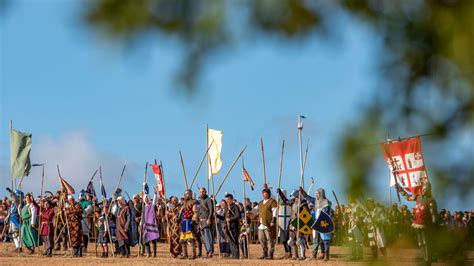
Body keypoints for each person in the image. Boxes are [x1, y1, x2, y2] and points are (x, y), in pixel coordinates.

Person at [397, 180, 438, 264]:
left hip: (425, 224)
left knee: (426, 242)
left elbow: (433, 214)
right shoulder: (418, 197)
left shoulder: (431, 201)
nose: (423, 190)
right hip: (416, 223)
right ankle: (425, 258)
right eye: (423, 189)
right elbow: (408, 197)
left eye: (425, 189)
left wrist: (433, 224)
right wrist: (400, 190)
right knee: (420, 243)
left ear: (429, 190)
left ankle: (428, 259)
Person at [256, 187, 277, 259]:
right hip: (261, 224)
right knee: (261, 239)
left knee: (270, 240)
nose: (264, 195)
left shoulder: (272, 201)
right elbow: (256, 210)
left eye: (265, 194)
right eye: (263, 194)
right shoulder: (260, 203)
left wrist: (273, 221)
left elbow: (274, 212)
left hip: (268, 223)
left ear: (268, 194)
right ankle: (264, 253)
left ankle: (270, 254)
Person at [179, 189, 198, 260]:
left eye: (187, 194)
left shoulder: (193, 202)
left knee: (190, 239)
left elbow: (195, 212)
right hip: (184, 222)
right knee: (182, 240)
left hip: (189, 221)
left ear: (190, 195)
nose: (186, 196)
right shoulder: (184, 203)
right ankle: (184, 254)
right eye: (185, 194)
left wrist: (193, 220)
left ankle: (193, 255)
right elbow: (182, 212)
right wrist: (179, 218)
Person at [142, 188, 160, 257]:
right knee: (145, 240)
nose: (146, 199)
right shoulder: (143, 207)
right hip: (145, 224)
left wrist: (155, 194)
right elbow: (142, 216)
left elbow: (154, 201)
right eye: (145, 198)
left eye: (147, 198)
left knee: (153, 239)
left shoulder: (151, 205)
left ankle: (154, 254)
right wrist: (141, 223)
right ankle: (148, 253)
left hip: (151, 223)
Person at [198, 188, 214, 258]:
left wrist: (209, 219)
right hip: (201, 221)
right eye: (200, 192)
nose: (201, 193)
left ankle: (210, 251)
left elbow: (211, 210)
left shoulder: (208, 199)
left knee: (208, 237)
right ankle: (207, 251)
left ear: (205, 192)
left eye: (202, 192)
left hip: (206, 220)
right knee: (204, 238)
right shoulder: (200, 200)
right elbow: (199, 211)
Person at [277, 190, 292, 259]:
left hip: (288, 223)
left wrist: (280, 193)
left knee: (287, 239)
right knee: (283, 239)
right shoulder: (278, 202)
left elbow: (285, 200)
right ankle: (286, 252)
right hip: (281, 222)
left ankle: (289, 252)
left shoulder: (290, 202)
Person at [225, 193, 241, 259]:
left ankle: (236, 255)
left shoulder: (235, 207)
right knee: (231, 242)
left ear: (231, 199)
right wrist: (217, 215)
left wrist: (230, 219)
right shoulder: (226, 208)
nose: (227, 201)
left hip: (234, 226)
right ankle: (233, 254)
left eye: (228, 199)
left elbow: (237, 216)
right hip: (228, 226)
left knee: (235, 241)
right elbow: (224, 217)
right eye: (226, 200)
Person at [6, 188, 22, 253]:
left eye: (12, 195)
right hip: (12, 219)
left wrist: (10, 191)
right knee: (13, 234)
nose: (11, 196)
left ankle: (20, 247)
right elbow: (10, 212)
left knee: (17, 233)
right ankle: (17, 246)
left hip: (16, 219)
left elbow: (15, 197)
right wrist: (7, 218)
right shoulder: (12, 203)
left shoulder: (17, 201)